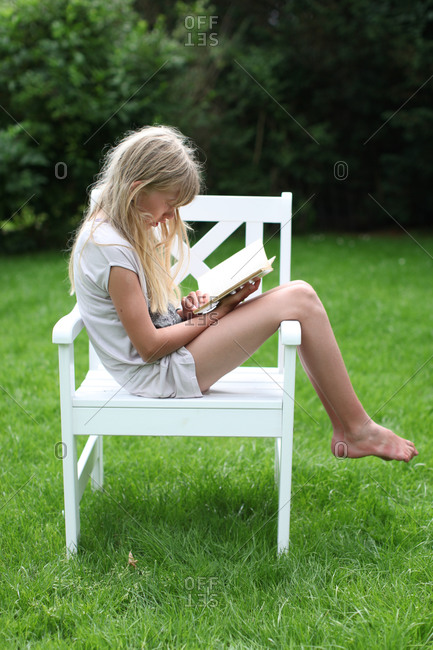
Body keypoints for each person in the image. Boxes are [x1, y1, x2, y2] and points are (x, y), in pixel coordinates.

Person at [69, 124, 418, 463]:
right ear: (137, 188)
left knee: (299, 293)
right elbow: (148, 347)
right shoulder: (109, 247)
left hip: (168, 360)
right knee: (301, 299)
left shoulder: (112, 229)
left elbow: (147, 322)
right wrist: (216, 314)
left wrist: (186, 313)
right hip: (158, 374)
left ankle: (351, 429)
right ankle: (356, 430)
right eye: (170, 204)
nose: (170, 216)